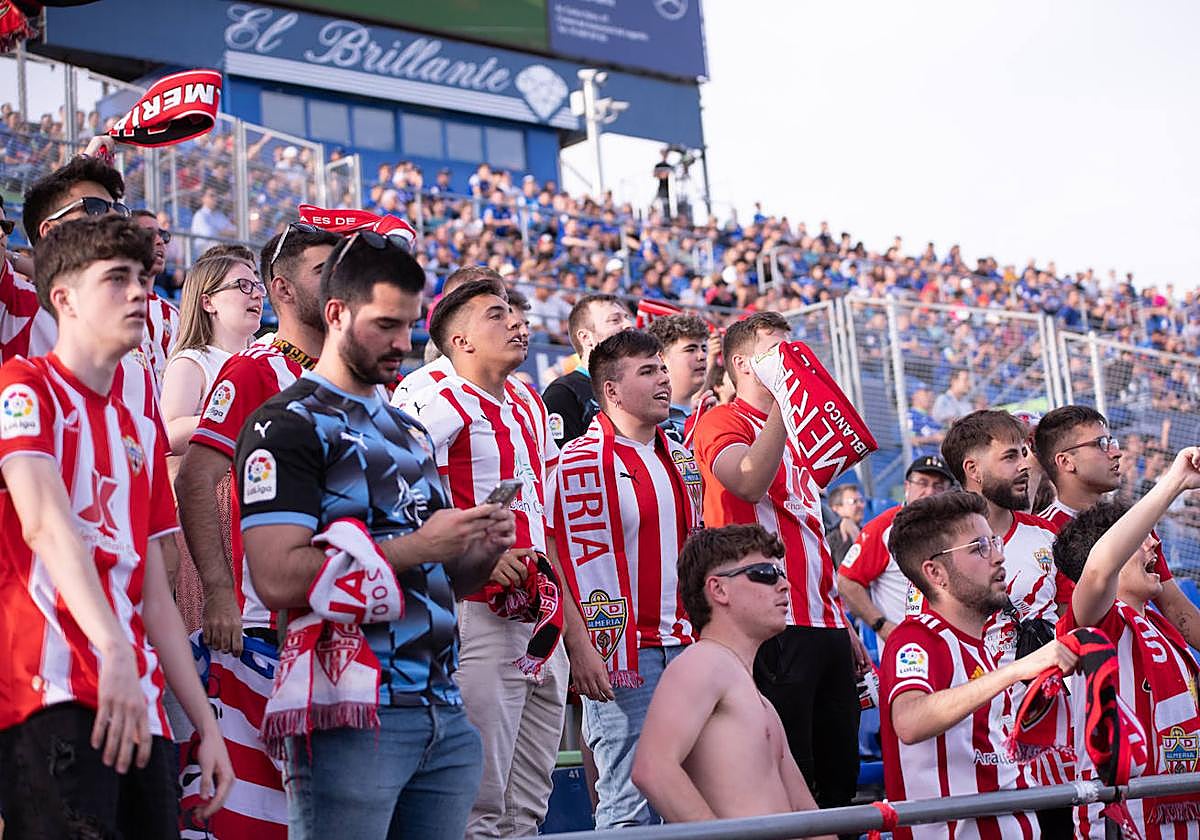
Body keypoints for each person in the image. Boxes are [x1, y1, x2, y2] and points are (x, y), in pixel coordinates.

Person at [234, 233, 514, 840]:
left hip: (443, 708)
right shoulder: (285, 423)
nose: (402, 343)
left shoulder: (410, 432)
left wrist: (478, 549)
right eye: (386, 324)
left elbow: (448, 579)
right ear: (336, 313)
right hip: (351, 710)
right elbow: (277, 575)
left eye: (410, 325)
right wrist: (421, 546)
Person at [0, 215, 233, 836]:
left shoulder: (138, 427)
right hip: (50, 694)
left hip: (143, 702)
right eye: (115, 279)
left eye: (140, 277)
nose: (138, 293)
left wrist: (204, 725)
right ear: (64, 298)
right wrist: (111, 651)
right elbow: (45, 524)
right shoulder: (23, 388)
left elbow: (154, 589)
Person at [173, 222, 338, 837]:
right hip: (261, 631)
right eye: (323, 271)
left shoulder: (365, 376)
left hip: (348, 630)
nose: (339, 281)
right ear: (283, 289)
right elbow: (196, 479)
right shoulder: (251, 371)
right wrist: (218, 591)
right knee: (256, 816)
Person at [396, 279, 569, 838]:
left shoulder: (528, 399)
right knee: (477, 799)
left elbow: (545, 515)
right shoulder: (426, 395)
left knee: (528, 801)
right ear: (460, 339)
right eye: (498, 315)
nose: (519, 322)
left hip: (541, 614)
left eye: (518, 312)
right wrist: (471, 554)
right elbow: (396, 492)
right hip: (474, 612)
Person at [691, 311, 866, 814]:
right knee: (787, 779)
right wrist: (785, 408)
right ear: (742, 363)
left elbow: (810, 526)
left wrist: (843, 621)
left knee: (840, 783)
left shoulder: (802, 431)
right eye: (776, 351)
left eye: (793, 349)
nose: (791, 359)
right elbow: (745, 482)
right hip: (772, 624)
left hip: (825, 621)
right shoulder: (721, 420)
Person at [548, 329, 703, 828]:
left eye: (662, 368)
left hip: (686, 646)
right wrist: (582, 645)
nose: (663, 379)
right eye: (648, 371)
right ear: (611, 391)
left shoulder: (679, 457)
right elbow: (556, 558)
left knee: (693, 797)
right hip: (625, 658)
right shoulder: (576, 463)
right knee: (629, 804)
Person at [880, 491, 1077, 840]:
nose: (999, 556)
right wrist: (1015, 671)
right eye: (979, 548)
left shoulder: (977, 646)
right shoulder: (918, 639)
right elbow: (909, 722)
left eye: (995, 542)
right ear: (936, 573)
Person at [631, 525, 833, 840]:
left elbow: (806, 815)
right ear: (719, 590)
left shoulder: (759, 700)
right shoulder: (702, 662)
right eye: (765, 573)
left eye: (781, 573)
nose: (784, 585)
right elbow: (653, 769)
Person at [1053, 448, 1200, 838]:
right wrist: (1174, 483)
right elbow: (1101, 568)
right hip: (1124, 820)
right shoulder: (1097, 622)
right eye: (1143, 539)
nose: (1155, 547)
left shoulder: (1160, 625)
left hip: (1182, 812)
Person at [1034, 404, 1200, 647]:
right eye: (1101, 444)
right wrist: (1176, 481)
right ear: (1066, 461)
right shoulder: (1039, 536)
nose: (1116, 453)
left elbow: (1176, 608)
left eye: (1112, 442)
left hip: (1146, 664)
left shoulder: (1134, 524)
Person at [940, 409, 1058, 662]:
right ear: (974, 470)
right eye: (1010, 456)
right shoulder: (938, 547)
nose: (1024, 465)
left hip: (1053, 696)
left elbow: (1073, 616)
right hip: (978, 697)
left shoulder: (1046, 533)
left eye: (1024, 454)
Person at [838, 455, 956, 637]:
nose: (929, 491)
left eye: (938, 486)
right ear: (907, 486)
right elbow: (847, 581)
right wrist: (881, 625)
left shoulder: (957, 529)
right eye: (922, 483)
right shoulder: (884, 527)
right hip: (907, 654)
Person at [159, 255, 264, 455]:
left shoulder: (268, 356)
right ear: (208, 302)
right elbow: (169, 435)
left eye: (258, 286)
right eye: (243, 285)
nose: (258, 294)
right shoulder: (192, 362)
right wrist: (233, 415)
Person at [542, 293, 634, 446]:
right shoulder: (563, 393)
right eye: (615, 320)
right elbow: (562, 464)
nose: (628, 325)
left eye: (626, 317)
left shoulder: (637, 387)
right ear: (585, 338)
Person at [131, 208, 182, 384]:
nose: (160, 241)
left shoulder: (173, 315)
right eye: (149, 234)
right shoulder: (109, 305)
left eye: (162, 235)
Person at [645, 313, 711, 445]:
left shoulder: (708, 417)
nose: (702, 356)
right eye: (690, 349)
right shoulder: (647, 421)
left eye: (703, 348)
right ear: (661, 358)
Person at [825, 484, 866, 567]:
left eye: (861, 500)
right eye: (853, 501)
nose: (860, 505)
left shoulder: (866, 531)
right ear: (836, 508)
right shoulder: (837, 538)